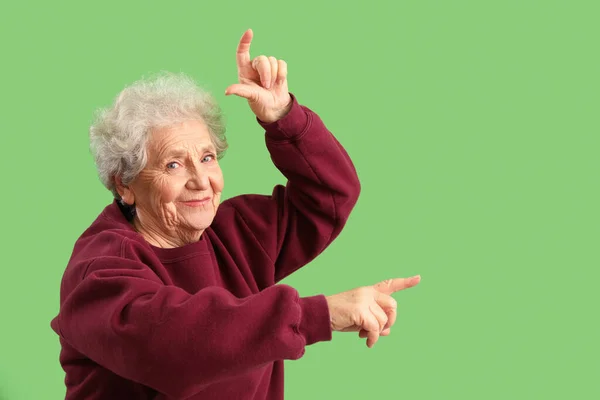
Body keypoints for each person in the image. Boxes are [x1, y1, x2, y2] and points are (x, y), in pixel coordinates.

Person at [50, 29, 421, 400]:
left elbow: (331, 196)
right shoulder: (98, 270)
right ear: (125, 183)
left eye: (207, 157)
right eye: (174, 164)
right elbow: (176, 346)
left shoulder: (237, 233)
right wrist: (317, 315)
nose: (201, 181)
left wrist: (283, 117)